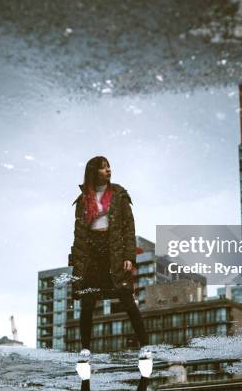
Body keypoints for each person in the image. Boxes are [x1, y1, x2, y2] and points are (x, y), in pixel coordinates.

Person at [69, 156, 151, 363]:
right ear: (93, 171)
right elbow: (78, 234)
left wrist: (128, 256)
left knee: (126, 297)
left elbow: (128, 227)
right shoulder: (83, 199)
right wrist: (78, 265)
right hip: (91, 252)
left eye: (109, 167)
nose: (109, 170)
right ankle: (85, 350)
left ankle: (145, 346)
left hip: (113, 249)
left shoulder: (119, 195)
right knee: (87, 300)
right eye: (103, 168)